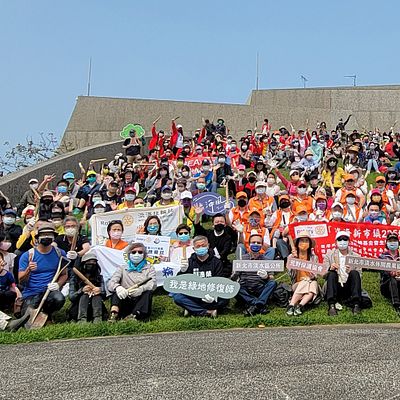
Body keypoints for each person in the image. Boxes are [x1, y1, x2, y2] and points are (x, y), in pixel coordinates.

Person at [18, 223, 69, 319]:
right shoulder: (27, 255)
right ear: (37, 237)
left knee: (59, 299)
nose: (46, 237)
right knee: (27, 316)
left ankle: (47, 314)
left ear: (54, 237)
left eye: (49, 234)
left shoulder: (60, 253)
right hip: (31, 293)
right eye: (43, 234)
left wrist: (58, 284)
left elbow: (64, 274)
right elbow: (21, 280)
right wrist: (28, 270)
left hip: (49, 291)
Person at [171, 235, 227, 317]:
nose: (201, 248)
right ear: (194, 249)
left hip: (211, 294)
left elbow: (220, 280)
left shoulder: (216, 262)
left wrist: (213, 294)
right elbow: (180, 282)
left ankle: (192, 309)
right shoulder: (189, 262)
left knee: (225, 299)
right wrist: (183, 271)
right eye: (198, 246)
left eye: (203, 245)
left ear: (208, 246)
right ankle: (207, 312)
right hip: (194, 294)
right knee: (178, 297)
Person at [107, 242, 156, 321]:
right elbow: (111, 283)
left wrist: (141, 289)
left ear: (144, 255)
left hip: (139, 301)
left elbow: (152, 284)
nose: (137, 254)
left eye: (140, 252)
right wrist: (118, 288)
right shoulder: (122, 268)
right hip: (125, 298)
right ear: (129, 254)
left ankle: (134, 316)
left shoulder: (150, 268)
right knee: (115, 292)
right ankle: (114, 315)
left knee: (148, 292)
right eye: (133, 252)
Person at [232, 231, 277, 316]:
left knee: (273, 283)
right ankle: (259, 304)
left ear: (262, 245)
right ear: (249, 244)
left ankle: (254, 305)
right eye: (253, 242)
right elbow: (233, 279)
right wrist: (235, 273)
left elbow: (271, 278)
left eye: (258, 243)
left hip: (260, 288)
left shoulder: (267, 260)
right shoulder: (242, 259)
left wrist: (266, 277)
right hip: (245, 288)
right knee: (235, 287)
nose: (256, 244)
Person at [323, 231, 362, 316]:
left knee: (354, 272)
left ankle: (356, 305)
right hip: (335, 285)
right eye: (340, 239)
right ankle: (331, 305)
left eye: (345, 239)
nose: (342, 242)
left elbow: (359, 276)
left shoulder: (356, 256)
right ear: (336, 242)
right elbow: (323, 274)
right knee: (332, 273)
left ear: (349, 242)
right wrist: (330, 268)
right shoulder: (329, 255)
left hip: (348, 286)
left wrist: (351, 270)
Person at [194, 208, 235, 277]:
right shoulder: (208, 233)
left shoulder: (228, 236)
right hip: (207, 261)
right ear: (213, 224)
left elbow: (225, 252)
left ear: (225, 224)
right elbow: (198, 228)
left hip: (222, 263)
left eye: (221, 222)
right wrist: (198, 215)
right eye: (217, 222)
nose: (219, 223)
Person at [286, 232, 320, 316]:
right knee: (305, 281)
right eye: (301, 241)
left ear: (309, 244)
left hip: (311, 282)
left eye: (306, 241)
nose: (304, 243)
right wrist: (293, 261)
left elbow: (316, 275)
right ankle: (293, 305)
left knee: (313, 284)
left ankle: (299, 306)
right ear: (297, 243)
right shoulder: (291, 256)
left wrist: (312, 277)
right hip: (297, 284)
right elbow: (290, 274)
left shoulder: (314, 257)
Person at [69, 252, 106, 323]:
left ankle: (97, 318)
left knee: (97, 295)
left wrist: (100, 290)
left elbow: (105, 296)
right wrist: (81, 291)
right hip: (79, 307)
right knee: (84, 295)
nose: (91, 264)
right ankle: (81, 319)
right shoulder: (75, 278)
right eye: (89, 262)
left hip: (95, 305)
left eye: (94, 262)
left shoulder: (99, 278)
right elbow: (71, 297)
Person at [379, 232, 400, 313]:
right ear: (387, 243)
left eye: (394, 241)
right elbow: (383, 272)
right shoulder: (382, 257)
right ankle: (396, 304)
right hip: (387, 286)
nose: (392, 243)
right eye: (390, 241)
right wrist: (391, 273)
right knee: (392, 279)